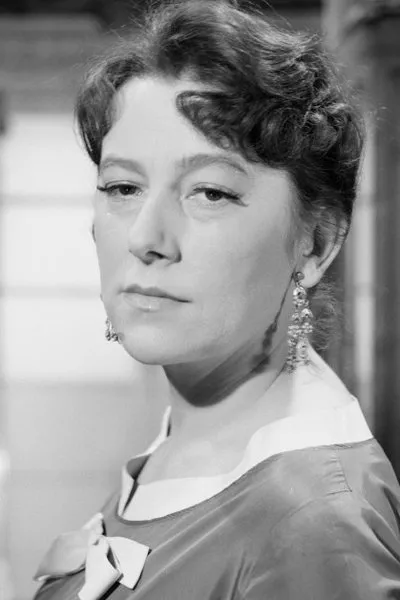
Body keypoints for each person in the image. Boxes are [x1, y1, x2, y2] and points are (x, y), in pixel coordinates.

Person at [32, 1, 400, 598]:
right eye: (122, 187)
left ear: (315, 243)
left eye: (209, 193)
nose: (146, 238)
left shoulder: (314, 526)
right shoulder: (192, 440)